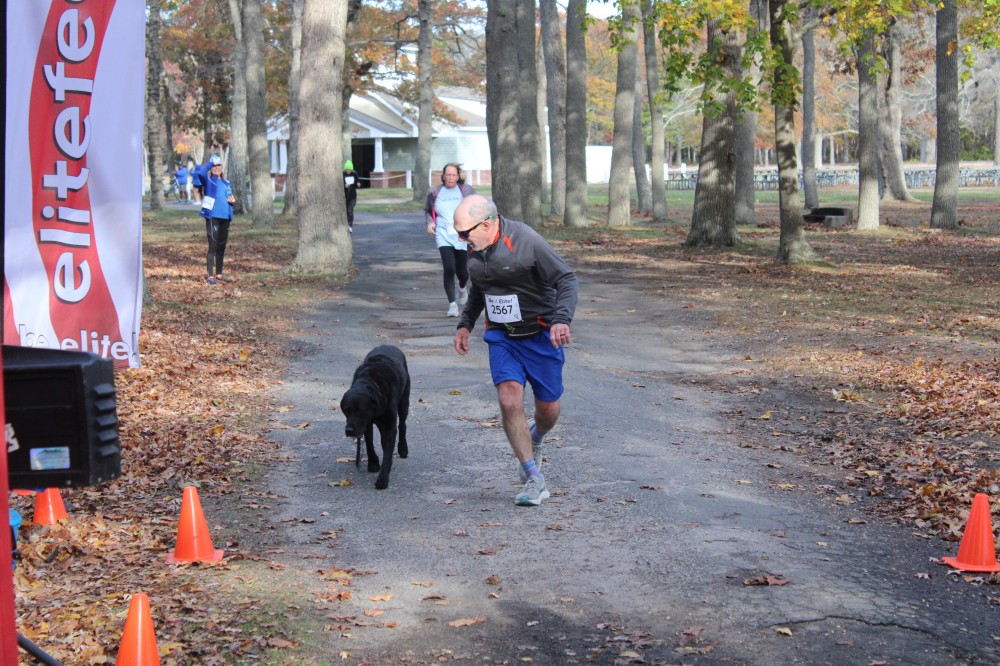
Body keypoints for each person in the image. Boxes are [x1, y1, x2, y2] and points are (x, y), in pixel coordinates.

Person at [452, 195, 579, 506]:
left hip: (540, 335)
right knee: (509, 400)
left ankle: (536, 436)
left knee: (548, 411)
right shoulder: (474, 248)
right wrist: (465, 323)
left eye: (464, 233)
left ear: (486, 225)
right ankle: (534, 477)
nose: (460, 240)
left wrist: (561, 320)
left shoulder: (526, 241)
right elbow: (480, 288)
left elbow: (566, 279)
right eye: (457, 234)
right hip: (502, 335)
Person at [424, 163, 476, 317]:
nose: (451, 178)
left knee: (463, 272)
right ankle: (452, 305)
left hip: (462, 235)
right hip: (443, 234)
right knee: (449, 268)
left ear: (458, 176)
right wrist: (430, 223)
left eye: (454, 175)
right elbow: (428, 211)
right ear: (443, 176)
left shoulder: (466, 190)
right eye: (448, 175)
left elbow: (476, 207)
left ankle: (462, 287)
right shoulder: (434, 192)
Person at [200, 155, 236, 285]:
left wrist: (232, 201)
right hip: (213, 217)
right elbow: (200, 173)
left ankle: (219, 274)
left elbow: (229, 196)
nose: (216, 168)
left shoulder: (227, 183)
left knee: (221, 246)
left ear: (222, 167)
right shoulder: (209, 180)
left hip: (225, 217)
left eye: (218, 165)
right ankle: (210, 277)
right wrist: (210, 164)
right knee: (213, 246)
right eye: (214, 166)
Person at [343, 160, 360, 233]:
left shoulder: (355, 174)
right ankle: (345, 224)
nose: (348, 171)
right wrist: (344, 186)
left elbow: (357, 182)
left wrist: (358, 184)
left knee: (350, 210)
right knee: (346, 211)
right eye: (346, 169)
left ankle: (350, 226)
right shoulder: (343, 175)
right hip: (345, 196)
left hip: (353, 196)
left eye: (349, 169)